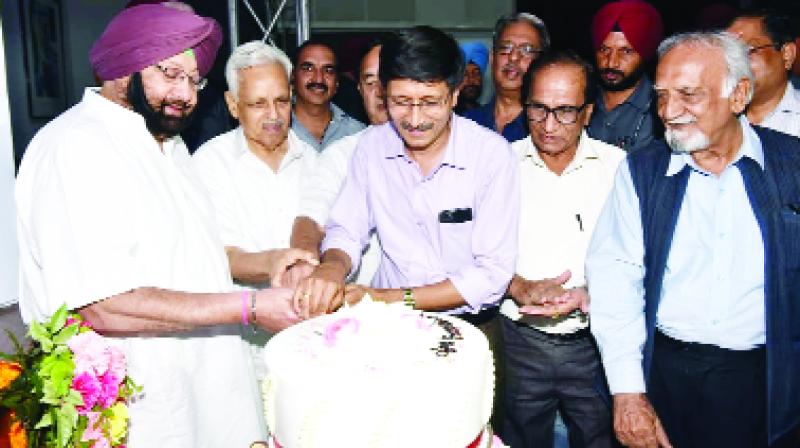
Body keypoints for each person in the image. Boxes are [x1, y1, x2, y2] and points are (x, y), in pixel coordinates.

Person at [14, 5, 309, 446]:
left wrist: (270, 263)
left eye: (194, 80)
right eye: (170, 74)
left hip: (205, 397)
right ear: (122, 66)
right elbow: (102, 303)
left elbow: (193, 262)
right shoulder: (77, 146)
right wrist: (249, 308)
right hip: (142, 414)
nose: (185, 94)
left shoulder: (168, 146)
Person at [290, 29, 518, 434]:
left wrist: (386, 298)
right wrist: (331, 267)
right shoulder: (371, 148)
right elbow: (347, 227)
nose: (413, 120)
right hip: (389, 335)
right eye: (400, 102)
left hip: (468, 331)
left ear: (454, 92)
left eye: (429, 103)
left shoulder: (490, 156)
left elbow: (491, 274)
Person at [586, 31, 800, 448]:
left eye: (688, 94)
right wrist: (628, 393)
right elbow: (615, 280)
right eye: (662, 95)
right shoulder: (642, 173)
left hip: (769, 381)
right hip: (667, 376)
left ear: (738, 95)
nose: (669, 111)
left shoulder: (792, 165)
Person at [500, 51, 623, 448]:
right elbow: (466, 252)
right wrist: (516, 285)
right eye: (538, 109)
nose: (549, 125)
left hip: (595, 344)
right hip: (519, 342)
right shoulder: (498, 165)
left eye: (565, 112)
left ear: (587, 112)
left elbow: (638, 263)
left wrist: (592, 294)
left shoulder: (618, 170)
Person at [192, 41, 318, 379]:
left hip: (309, 343)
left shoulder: (315, 161)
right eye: (258, 104)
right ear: (233, 106)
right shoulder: (208, 163)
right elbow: (221, 255)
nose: (274, 115)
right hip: (241, 346)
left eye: (280, 101)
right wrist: (278, 262)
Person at [290, 38, 388, 286]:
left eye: (387, 79)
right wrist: (303, 259)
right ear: (359, 90)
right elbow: (311, 215)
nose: (380, 91)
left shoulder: (438, 151)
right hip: (357, 300)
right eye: (369, 82)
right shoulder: (343, 152)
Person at [588, 0, 664, 152]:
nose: (611, 62)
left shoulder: (661, 110)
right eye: (604, 50)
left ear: (645, 54)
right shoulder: (580, 98)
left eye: (626, 51)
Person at [464, 13, 550, 142]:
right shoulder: (465, 125)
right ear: (492, 58)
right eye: (506, 48)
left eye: (526, 50)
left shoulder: (549, 129)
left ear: (543, 63)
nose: (514, 57)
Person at [727, 9, 800, 137]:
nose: (734, 63)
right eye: (728, 54)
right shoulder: (712, 117)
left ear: (787, 54)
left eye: (746, 50)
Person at [290, 39, 365, 151]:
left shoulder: (358, 134)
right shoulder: (277, 128)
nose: (318, 78)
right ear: (293, 77)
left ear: (337, 82)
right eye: (308, 68)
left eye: (328, 70)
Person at [456, 41, 489, 114]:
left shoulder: (487, 115)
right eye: (465, 74)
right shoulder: (446, 115)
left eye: (476, 73)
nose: (471, 80)